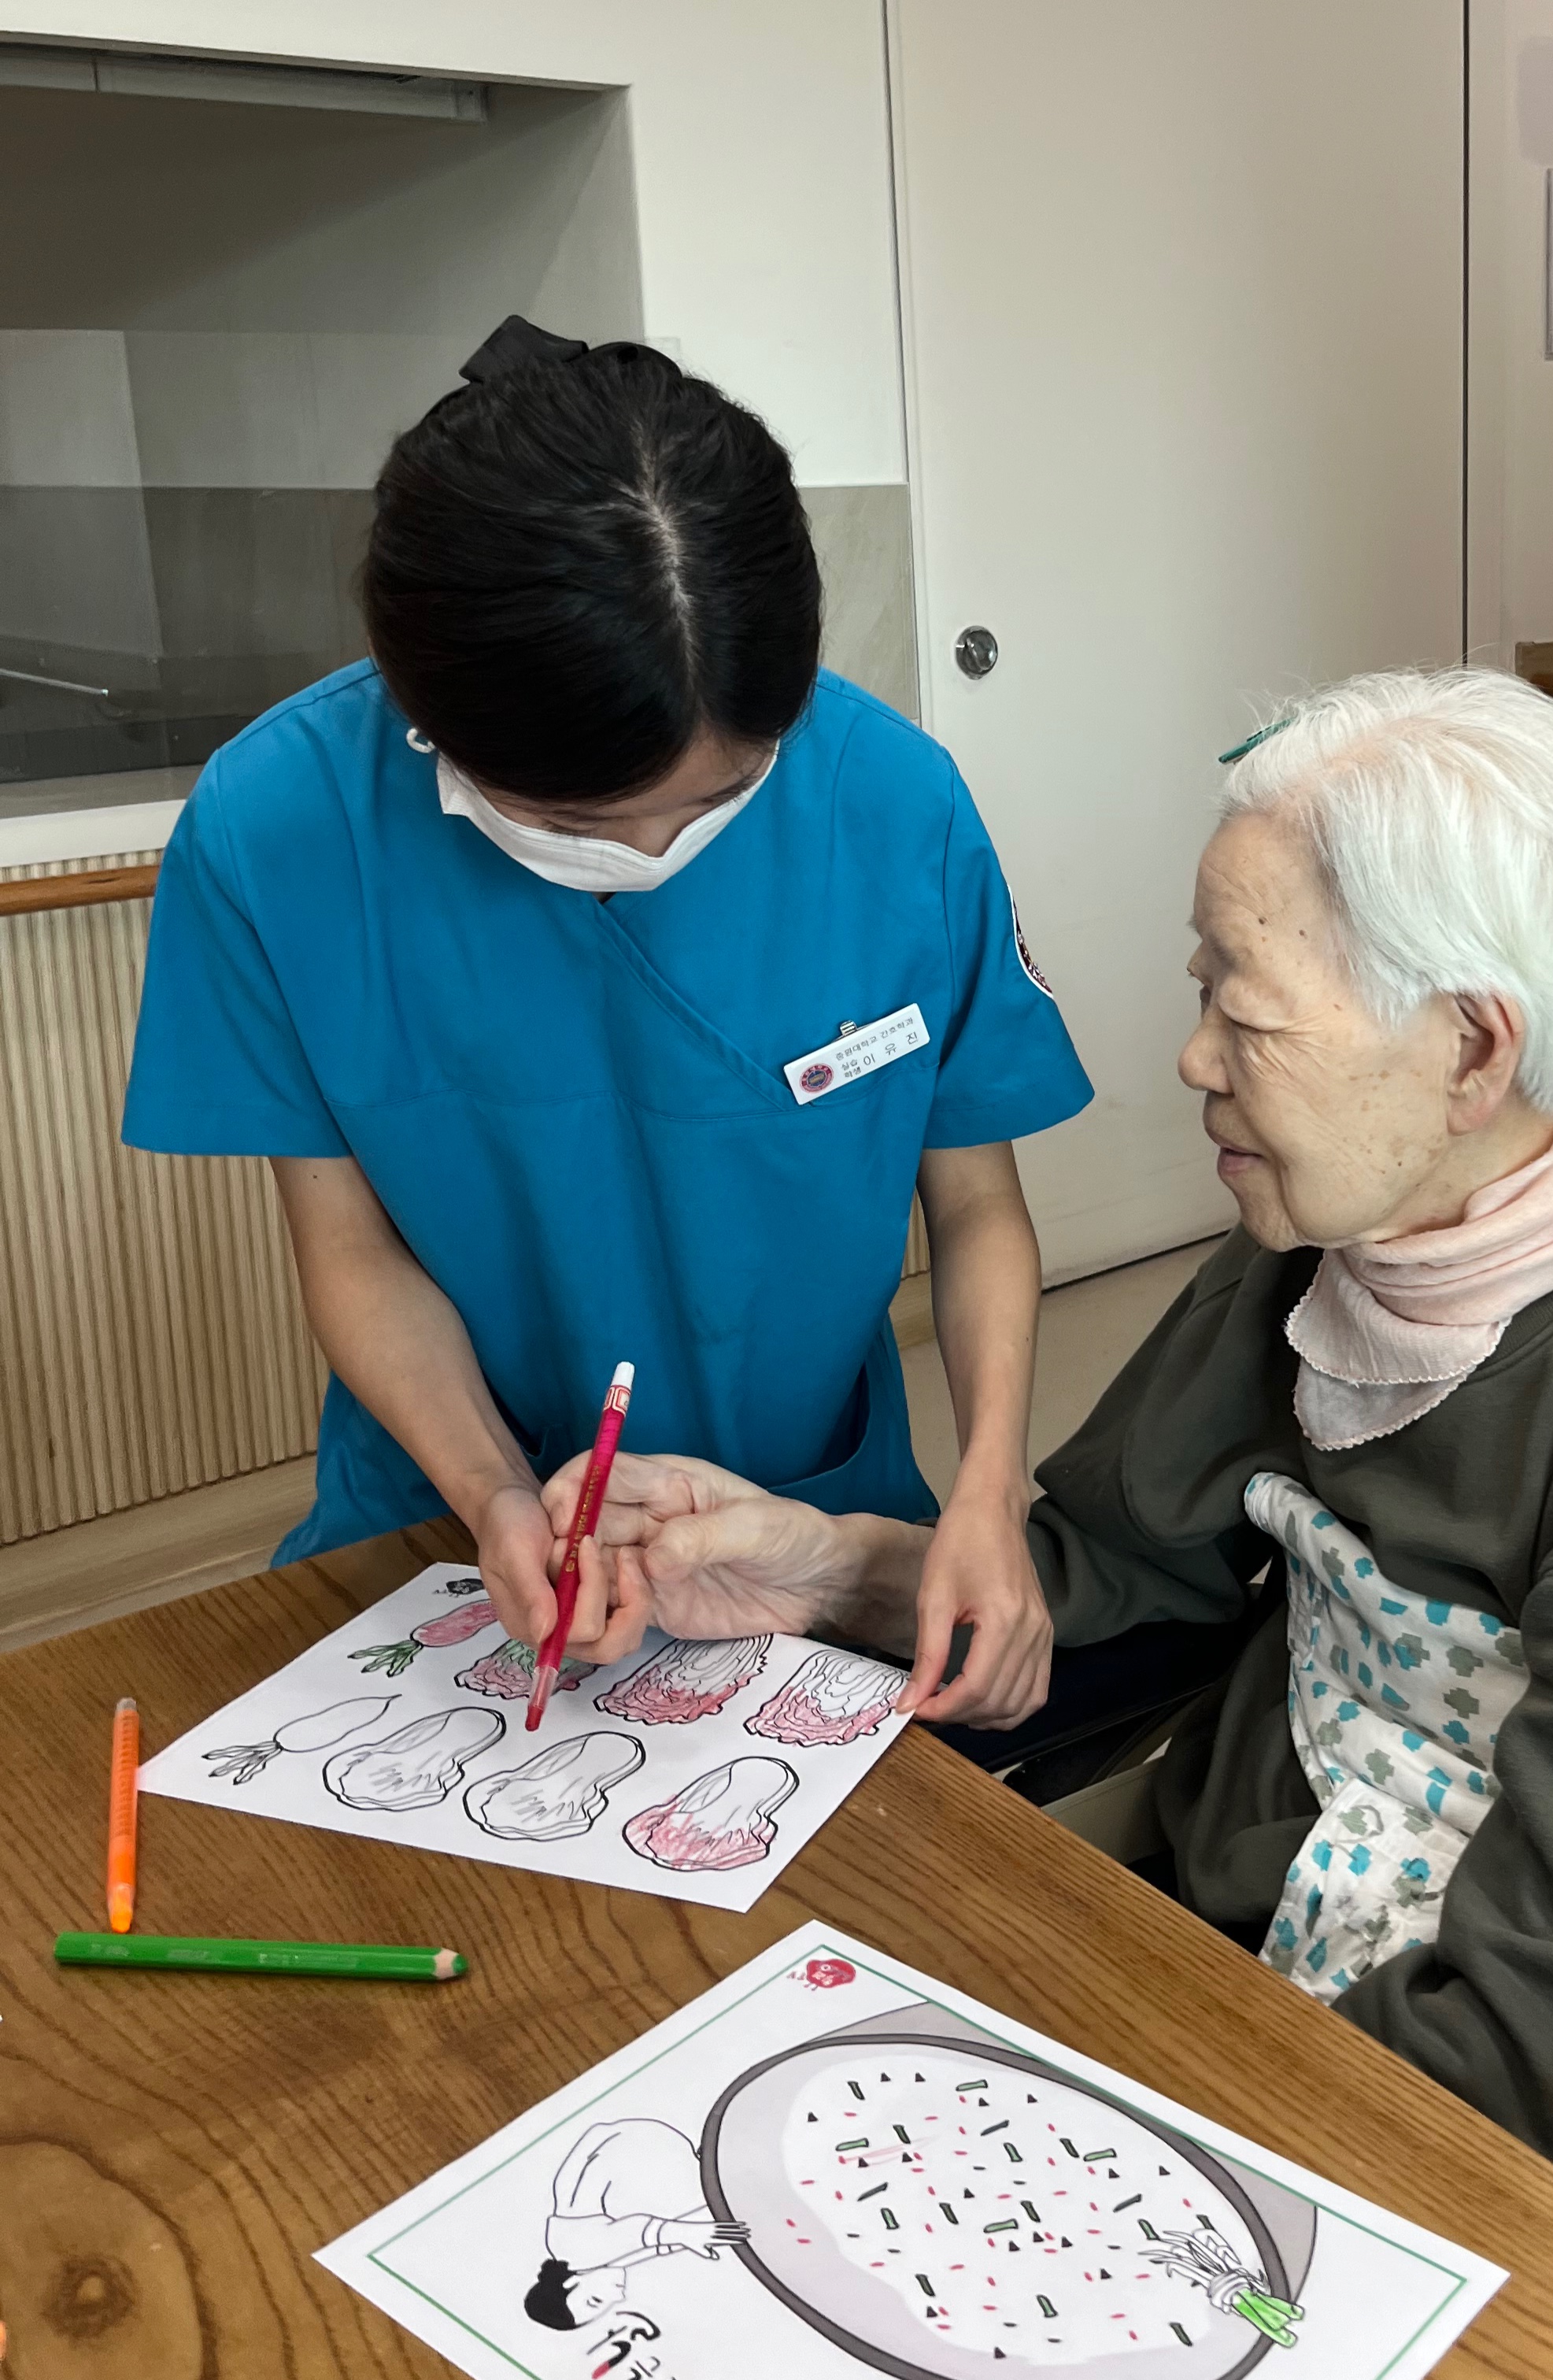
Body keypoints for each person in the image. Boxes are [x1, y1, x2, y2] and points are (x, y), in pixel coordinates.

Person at [551, 667, 1553, 2197]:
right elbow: (1110, 1573)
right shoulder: (1320, 1241)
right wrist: (828, 1564)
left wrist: (1145, 2159)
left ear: (1469, 1050)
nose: (1193, 1058)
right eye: (1204, 991)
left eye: (1242, 1013)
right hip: (1263, 1942)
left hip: (1525, 2095)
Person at [121, 318, 1090, 1730]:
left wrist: (990, 1493)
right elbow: (349, 1246)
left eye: (721, 796)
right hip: (450, 1523)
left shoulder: (892, 802)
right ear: (428, 713)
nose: (652, 852)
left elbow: (978, 1203)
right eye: (578, 820)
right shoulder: (279, 831)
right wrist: (492, 1494)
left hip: (805, 1513)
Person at [523, 2118, 745, 2331]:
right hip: (648, 2150)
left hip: (635, 2150)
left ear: (571, 2283)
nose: (619, 2296)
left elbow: (638, 2231)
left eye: (596, 2300)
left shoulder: (571, 2250)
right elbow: (658, 2244)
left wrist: (685, 2233)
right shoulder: (603, 2261)